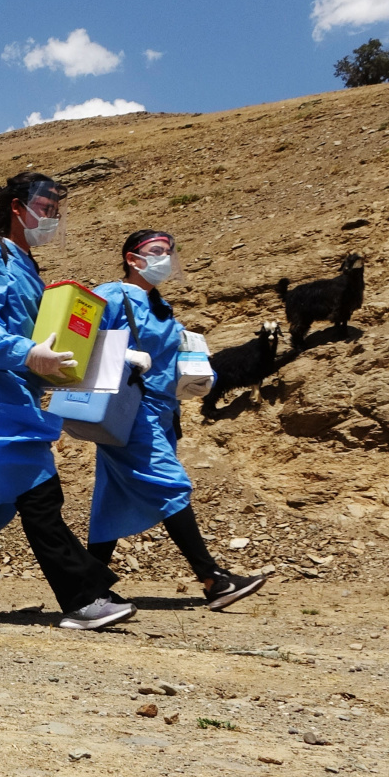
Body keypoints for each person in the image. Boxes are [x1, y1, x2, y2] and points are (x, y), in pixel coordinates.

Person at [0, 171, 136, 630]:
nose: (53, 218)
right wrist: (27, 352)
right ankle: (83, 597)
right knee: (39, 492)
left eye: (57, 211)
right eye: (47, 209)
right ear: (17, 207)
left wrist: (106, 355)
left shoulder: (25, 263)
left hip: (15, 396)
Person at [86, 230, 267, 610]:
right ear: (132, 259)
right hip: (128, 410)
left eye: (169, 252)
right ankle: (213, 579)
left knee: (113, 500)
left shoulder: (160, 305)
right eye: (156, 251)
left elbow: (166, 360)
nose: (165, 258)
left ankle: (89, 586)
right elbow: (80, 338)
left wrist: (195, 374)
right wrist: (122, 356)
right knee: (170, 484)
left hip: (162, 412)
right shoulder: (111, 294)